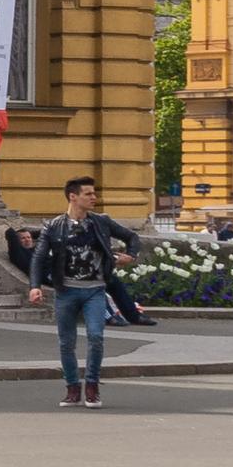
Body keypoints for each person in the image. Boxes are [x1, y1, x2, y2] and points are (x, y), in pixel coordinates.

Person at [24, 173, 140, 409]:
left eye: (93, 193)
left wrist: (131, 255)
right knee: (66, 342)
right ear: (73, 197)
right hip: (66, 291)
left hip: (94, 290)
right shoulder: (54, 226)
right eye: (88, 194)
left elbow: (132, 236)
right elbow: (38, 257)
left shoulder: (101, 221)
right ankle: (72, 388)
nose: (94, 197)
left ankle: (92, 386)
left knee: (96, 336)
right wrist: (35, 286)